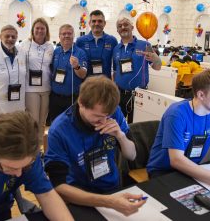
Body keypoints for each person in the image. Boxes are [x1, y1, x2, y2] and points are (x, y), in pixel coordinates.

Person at [45, 75, 146, 216]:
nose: (104, 121)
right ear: (81, 103)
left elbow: (132, 155)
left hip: (112, 189)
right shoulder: (60, 130)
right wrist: (108, 201)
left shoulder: (113, 112)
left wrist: (120, 136)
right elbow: (59, 186)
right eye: (97, 116)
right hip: (80, 196)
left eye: (108, 115)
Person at [147, 69, 210, 191]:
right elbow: (176, 160)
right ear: (201, 95)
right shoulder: (177, 114)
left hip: (191, 170)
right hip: (164, 172)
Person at [113, 13, 161, 123]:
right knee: (118, 124)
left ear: (132, 27)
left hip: (139, 94)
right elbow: (115, 71)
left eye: (126, 24)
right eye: (120, 26)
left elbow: (157, 67)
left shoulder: (144, 45)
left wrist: (155, 57)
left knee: (136, 126)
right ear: (117, 30)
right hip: (120, 95)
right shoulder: (116, 49)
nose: (123, 27)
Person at [19, 18, 54, 150]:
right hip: (30, 89)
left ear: (46, 31)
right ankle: (31, 148)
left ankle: (39, 150)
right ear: (33, 30)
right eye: (37, 28)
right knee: (32, 120)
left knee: (42, 122)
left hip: (46, 88)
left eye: (42, 28)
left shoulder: (50, 46)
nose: (39, 30)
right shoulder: (24, 44)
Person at [49, 24, 87, 124]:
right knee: (55, 125)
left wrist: (76, 66)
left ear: (73, 35)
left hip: (72, 98)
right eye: (63, 34)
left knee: (72, 126)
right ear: (59, 36)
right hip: (55, 98)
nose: (66, 36)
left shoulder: (80, 53)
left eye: (69, 33)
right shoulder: (56, 52)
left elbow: (83, 74)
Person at [76, 10, 117, 78]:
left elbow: (116, 65)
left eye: (100, 21)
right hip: (87, 84)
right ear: (89, 23)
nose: (97, 23)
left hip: (105, 84)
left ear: (104, 23)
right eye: (94, 21)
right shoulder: (80, 41)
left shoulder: (112, 40)